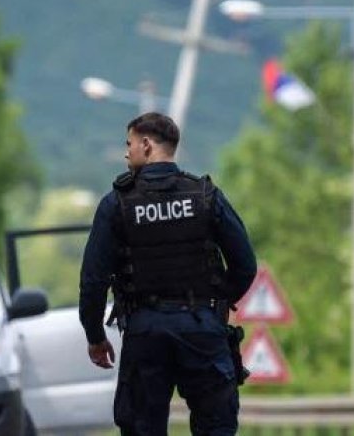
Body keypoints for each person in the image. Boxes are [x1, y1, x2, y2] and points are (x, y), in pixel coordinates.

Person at [79, 112, 257, 435]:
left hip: (146, 332)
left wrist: (95, 336)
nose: (125, 152)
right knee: (216, 427)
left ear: (147, 145)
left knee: (142, 427)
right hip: (202, 330)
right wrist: (212, 306)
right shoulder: (205, 196)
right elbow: (245, 265)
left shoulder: (116, 204)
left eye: (129, 144)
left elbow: (93, 280)